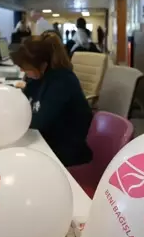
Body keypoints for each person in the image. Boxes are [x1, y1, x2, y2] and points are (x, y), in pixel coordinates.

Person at [11, 32, 93, 167]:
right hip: (47, 141)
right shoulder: (37, 78)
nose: (23, 71)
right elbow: (24, 104)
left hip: (65, 151)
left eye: (27, 68)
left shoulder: (62, 82)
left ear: (43, 65)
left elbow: (39, 121)